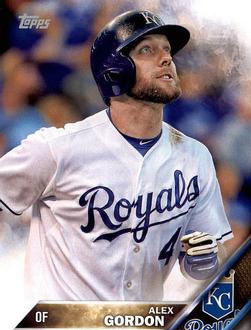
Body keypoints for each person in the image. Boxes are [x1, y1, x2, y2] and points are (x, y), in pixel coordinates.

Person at [0, 10, 233, 302]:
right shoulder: (57, 149)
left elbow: (209, 256)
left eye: (168, 50)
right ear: (114, 71)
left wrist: (205, 262)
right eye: (147, 50)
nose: (167, 59)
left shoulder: (195, 157)